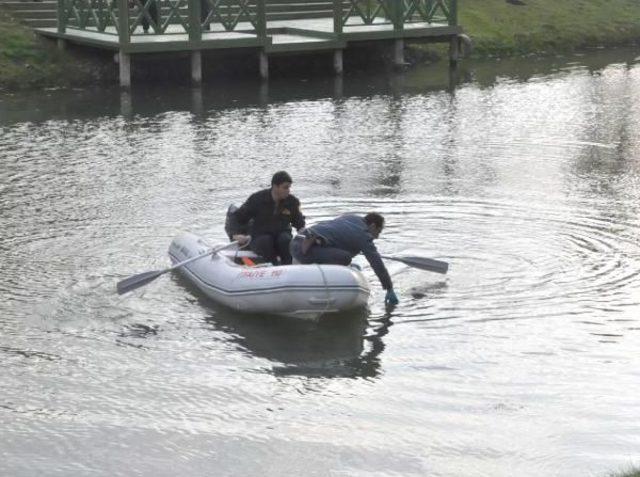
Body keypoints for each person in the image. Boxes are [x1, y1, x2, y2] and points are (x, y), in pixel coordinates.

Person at [290, 213, 399, 305]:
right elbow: (376, 262)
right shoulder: (363, 235)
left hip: (297, 241)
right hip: (302, 249)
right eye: (378, 232)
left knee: (344, 253)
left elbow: (338, 237)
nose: (377, 237)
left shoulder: (351, 218)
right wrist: (389, 287)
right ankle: (322, 277)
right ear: (373, 226)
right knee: (345, 257)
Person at [230, 171, 305, 265]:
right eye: (285, 187)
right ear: (275, 186)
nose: (288, 190)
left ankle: (287, 266)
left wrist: (306, 236)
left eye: (289, 187)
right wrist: (234, 234)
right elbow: (238, 217)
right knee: (266, 241)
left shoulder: (292, 202)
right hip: (260, 237)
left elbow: (299, 223)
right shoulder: (257, 199)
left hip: (281, 236)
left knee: (285, 239)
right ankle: (272, 266)